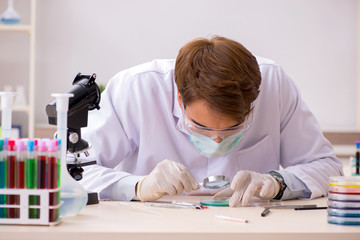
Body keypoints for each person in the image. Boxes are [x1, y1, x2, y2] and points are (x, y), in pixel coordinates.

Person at [79, 36, 343, 207]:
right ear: (180, 100)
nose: (217, 140)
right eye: (201, 127)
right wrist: (138, 186)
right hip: (155, 229)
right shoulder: (135, 90)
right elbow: (72, 172)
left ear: (252, 104)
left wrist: (278, 182)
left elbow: (328, 167)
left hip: (249, 228)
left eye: (232, 129)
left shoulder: (274, 86)